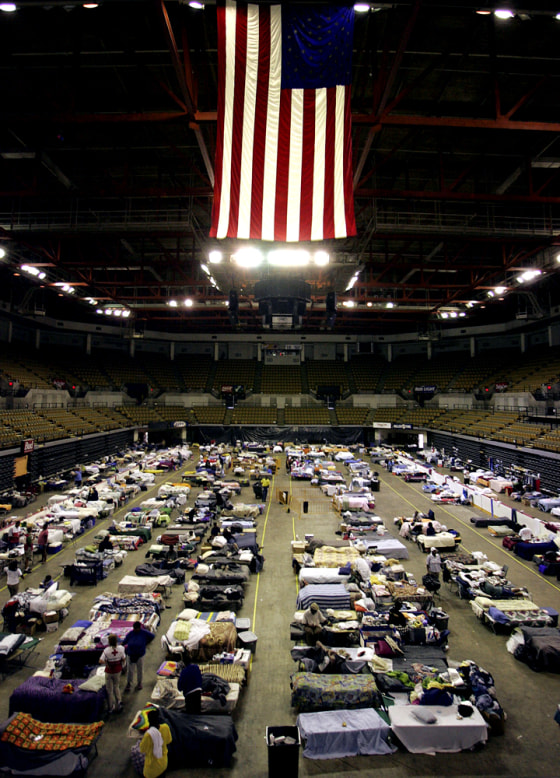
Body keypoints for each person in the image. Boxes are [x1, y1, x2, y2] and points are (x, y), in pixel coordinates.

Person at [139, 707, 172, 778]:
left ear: (148, 721)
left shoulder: (148, 735)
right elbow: (169, 740)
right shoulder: (165, 727)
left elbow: (142, 750)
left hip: (152, 770)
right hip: (164, 763)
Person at [123, 620, 154, 692]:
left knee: (140, 669)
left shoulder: (144, 632)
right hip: (130, 654)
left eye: (137, 628)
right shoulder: (131, 633)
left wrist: (146, 643)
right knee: (130, 670)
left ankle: (139, 683)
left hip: (140, 654)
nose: (135, 630)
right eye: (134, 628)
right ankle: (129, 683)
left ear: (139, 628)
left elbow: (152, 636)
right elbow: (125, 641)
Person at [99, 633, 126, 714]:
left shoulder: (106, 651)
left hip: (109, 671)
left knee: (109, 689)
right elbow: (124, 658)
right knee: (116, 686)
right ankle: (119, 702)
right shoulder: (121, 648)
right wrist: (122, 666)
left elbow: (100, 661)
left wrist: (107, 663)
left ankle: (111, 707)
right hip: (117, 670)